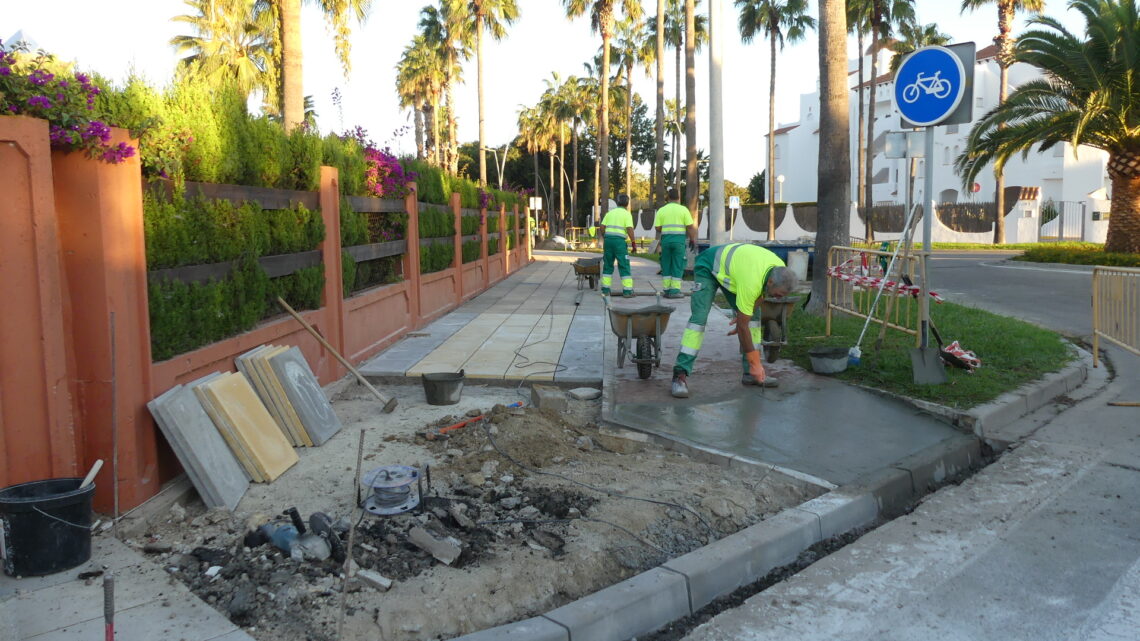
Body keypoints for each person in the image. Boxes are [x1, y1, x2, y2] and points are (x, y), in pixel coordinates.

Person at [670, 243, 797, 398]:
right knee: (699, 319)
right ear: (771, 282)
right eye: (780, 293)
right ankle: (679, 375)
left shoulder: (779, 269)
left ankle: (750, 374)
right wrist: (743, 325)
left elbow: (761, 294)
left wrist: (745, 315)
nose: (780, 297)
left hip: (734, 273)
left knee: (754, 319)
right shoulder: (752, 280)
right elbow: (743, 325)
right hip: (708, 265)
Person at [653, 187, 697, 298]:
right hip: (679, 242)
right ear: (678, 198)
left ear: (668, 198)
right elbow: (690, 227)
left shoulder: (661, 210)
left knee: (666, 264)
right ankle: (675, 291)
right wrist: (692, 240)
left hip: (666, 242)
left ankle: (667, 290)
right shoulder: (683, 210)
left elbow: (657, 228)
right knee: (678, 264)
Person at [598, 194, 636, 297]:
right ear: (627, 204)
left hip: (608, 241)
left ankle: (605, 290)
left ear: (617, 202)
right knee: (624, 264)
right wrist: (633, 243)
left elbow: (602, 226)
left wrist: (605, 235)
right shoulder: (627, 214)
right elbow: (629, 229)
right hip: (619, 242)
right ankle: (627, 291)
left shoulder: (610, 213)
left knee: (608, 264)